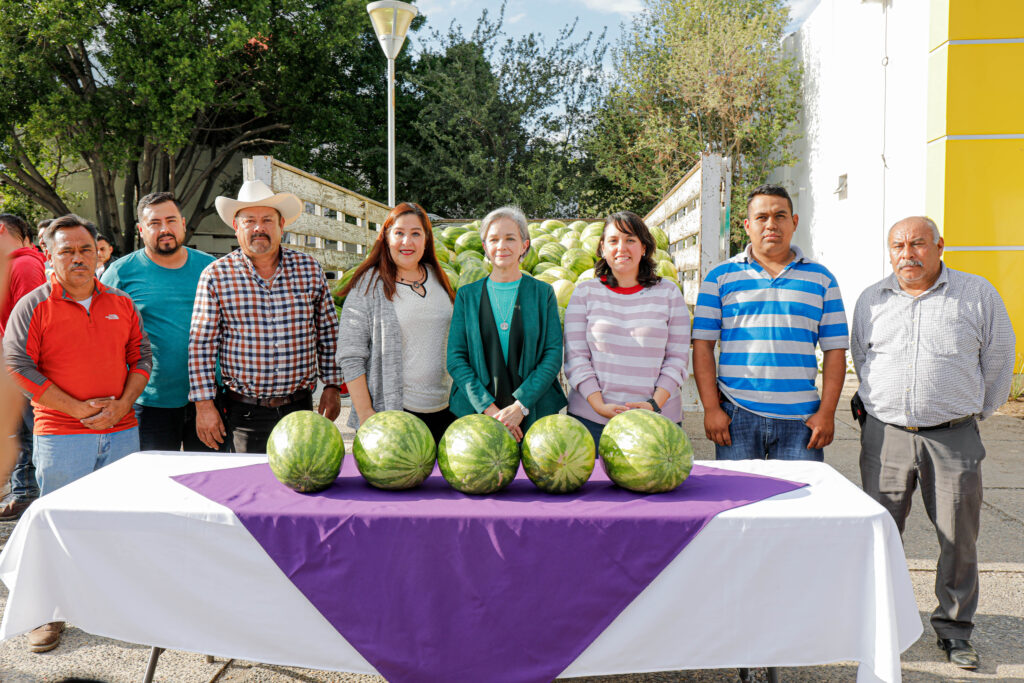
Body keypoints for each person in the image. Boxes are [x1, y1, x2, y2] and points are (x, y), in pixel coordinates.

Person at [851, 216, 1014, 670]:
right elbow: (862, 361)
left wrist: (971, 414)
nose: (908, 254)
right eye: (898, 245)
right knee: (880, 533)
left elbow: (1000, 363)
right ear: (890, 252)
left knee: (958, 537)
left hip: (953, 436)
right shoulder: (872, 299)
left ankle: (955, 630)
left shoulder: (976, 294)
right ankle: (879, 623)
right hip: (885, 436)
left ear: (940, 246)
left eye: (918, 244)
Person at [3, 214, 151, 653]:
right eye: (66, 250)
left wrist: (123, 404)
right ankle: (45, 614)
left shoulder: (120, 302)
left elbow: (140, 356)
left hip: (122, 431)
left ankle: (112, 604)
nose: (78, 258)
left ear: (98, 251)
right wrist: (76, 409)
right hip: (61, 434)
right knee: (55, 526)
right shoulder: (33, 305)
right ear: (49, 254)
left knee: (119, 521)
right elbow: (16, 366)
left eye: (85, 248)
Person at [691, 184, 848, 461]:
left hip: (802, 419)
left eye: (780, 216)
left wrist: (826, 413)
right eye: (762, 217)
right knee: (739, 500)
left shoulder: (822, 279)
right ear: (747, 225)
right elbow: (703, 347)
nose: (771, 224)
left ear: (794, 222)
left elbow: (835, 350)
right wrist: (712, 409)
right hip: (736, 415)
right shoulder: (719, 278)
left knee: (799, 501)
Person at [189, 179, 342, 453]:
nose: (259, 228)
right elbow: (201, 345)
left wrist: (332, 385)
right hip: (245, 413)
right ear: (236, 227)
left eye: (267, 220)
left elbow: (328, 331)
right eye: (249, 221)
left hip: (299, 408)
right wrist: (203, 405)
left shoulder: (308, 269)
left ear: (281, 225)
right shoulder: (216, 276)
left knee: (304, 480)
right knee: (251, 486)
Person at [101, 192, 217, 451]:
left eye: (171, 220)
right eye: (154, 223)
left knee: (208, 478)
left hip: (209, 398)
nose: (165, 229)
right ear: (141, 230)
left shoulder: (211, 269)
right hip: (150, 401)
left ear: (183, 224)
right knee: (155, 482)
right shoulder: (120, 273)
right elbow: (101, 336)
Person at [563, 211, 690, 446]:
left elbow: (677, 359)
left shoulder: (668, 293)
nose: (622, 247)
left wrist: (653, 405)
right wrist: (598, 406)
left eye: (630, 240)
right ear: (602, 248)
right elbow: (576, 358)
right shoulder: (585, 292)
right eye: (613, 240)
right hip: (592, 422)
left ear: (644, 247)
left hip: (657, 421)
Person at [338, 203, 456, 442]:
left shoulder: (438, 277)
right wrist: (366, 415)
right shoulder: (368, 285)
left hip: (446, 411)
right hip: (394, 415)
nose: (407, 242)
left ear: (426, 239)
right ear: (386, 238)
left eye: (416, 233)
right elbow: (350, 356)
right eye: (399, 233)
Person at [447, 206, 566, 441]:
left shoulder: (544, 294)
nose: (502, 246)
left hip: (534, 411)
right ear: (485, 247)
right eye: (494, 239)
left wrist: (519, 408)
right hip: (477, 413)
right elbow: (456, 359)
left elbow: (552, 356)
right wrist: (491, 411)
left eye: (510, 238)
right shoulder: (466, 295)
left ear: (524, 245)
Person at [0, 214, 46, 520]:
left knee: (31, 434)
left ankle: (29, 494)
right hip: (12, 366)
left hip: (25, 367)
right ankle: (24, 492)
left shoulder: (25, 265)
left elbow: (33, 320)